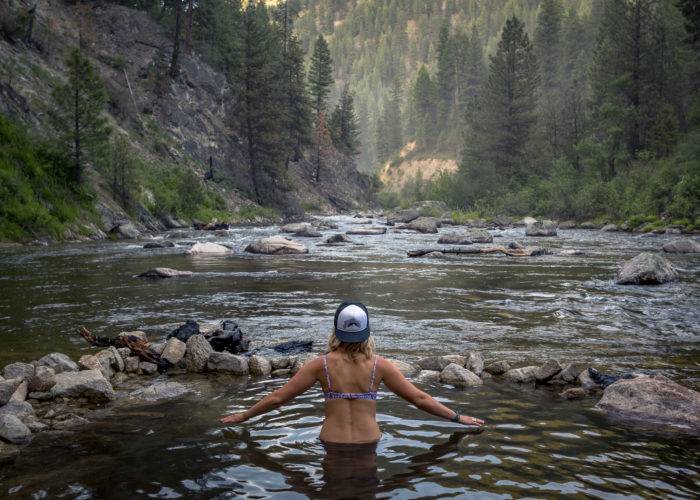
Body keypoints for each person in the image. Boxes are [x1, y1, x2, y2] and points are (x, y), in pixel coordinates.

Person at [220, 301, 485, 443]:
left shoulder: (319, 365)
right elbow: (420, 399)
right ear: (367, 332)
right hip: (368, 444)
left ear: (336, 331)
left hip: (331, 444)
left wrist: (244, 416)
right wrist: (457, 417)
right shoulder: (380, 366)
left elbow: (279, 398)